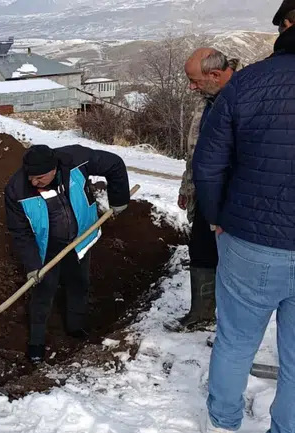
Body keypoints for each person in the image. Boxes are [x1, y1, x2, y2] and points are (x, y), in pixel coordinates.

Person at [192, 2, 295, 431]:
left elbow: (208, 165)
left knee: (235, 341)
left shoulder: (247, 83)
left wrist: (216, 217)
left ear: (284, 27)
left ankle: (223, 421)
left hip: (252, 240)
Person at [4, 144, 130, 363]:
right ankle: (36, 344)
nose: (34, 182)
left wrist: (119, 200)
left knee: (79, 282)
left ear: (53, 169)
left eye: (40, 178)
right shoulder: (16, 189)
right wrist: (33, 264)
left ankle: (76, 328)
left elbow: (115, 164)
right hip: (47, 247)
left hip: (79, 239)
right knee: (44, 291)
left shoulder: (76, 160)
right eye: (31, 177)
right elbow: (20, 231)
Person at [163, 48, 241, 333]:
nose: (191, 86)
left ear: (215, 74)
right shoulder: (205, 101)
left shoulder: (243, 95)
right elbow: (195, 152)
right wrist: (188, 185)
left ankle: (232, 331)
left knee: (233, 262)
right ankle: (202, 313)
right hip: (205, 193)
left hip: (233, 196)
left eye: (194, 80)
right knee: (201, 250)